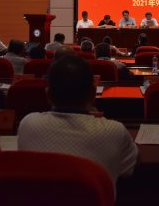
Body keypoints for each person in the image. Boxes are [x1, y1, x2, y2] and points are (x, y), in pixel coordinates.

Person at [17, 55, 138, 191]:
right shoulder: (115, 131)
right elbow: (130, 167)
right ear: (93, 94)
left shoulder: (28, 124)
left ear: (48, 95)